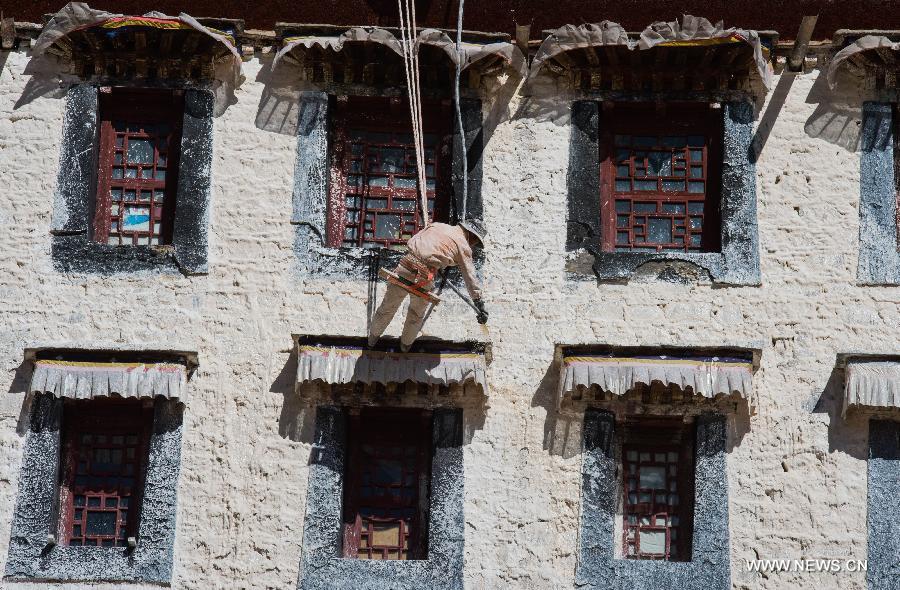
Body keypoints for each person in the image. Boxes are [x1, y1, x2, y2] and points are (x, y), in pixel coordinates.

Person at [368, 220, 488, 352]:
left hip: (405, 266)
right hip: (424, 278)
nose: (473, 245)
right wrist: (479, 302)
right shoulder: (463, 246)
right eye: (475, 242)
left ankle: (371, 341)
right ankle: (404, 347)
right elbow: (470, 277)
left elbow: (415, 239)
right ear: (472, 236)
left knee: (387, 308)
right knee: (415, 315)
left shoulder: (436, 225)